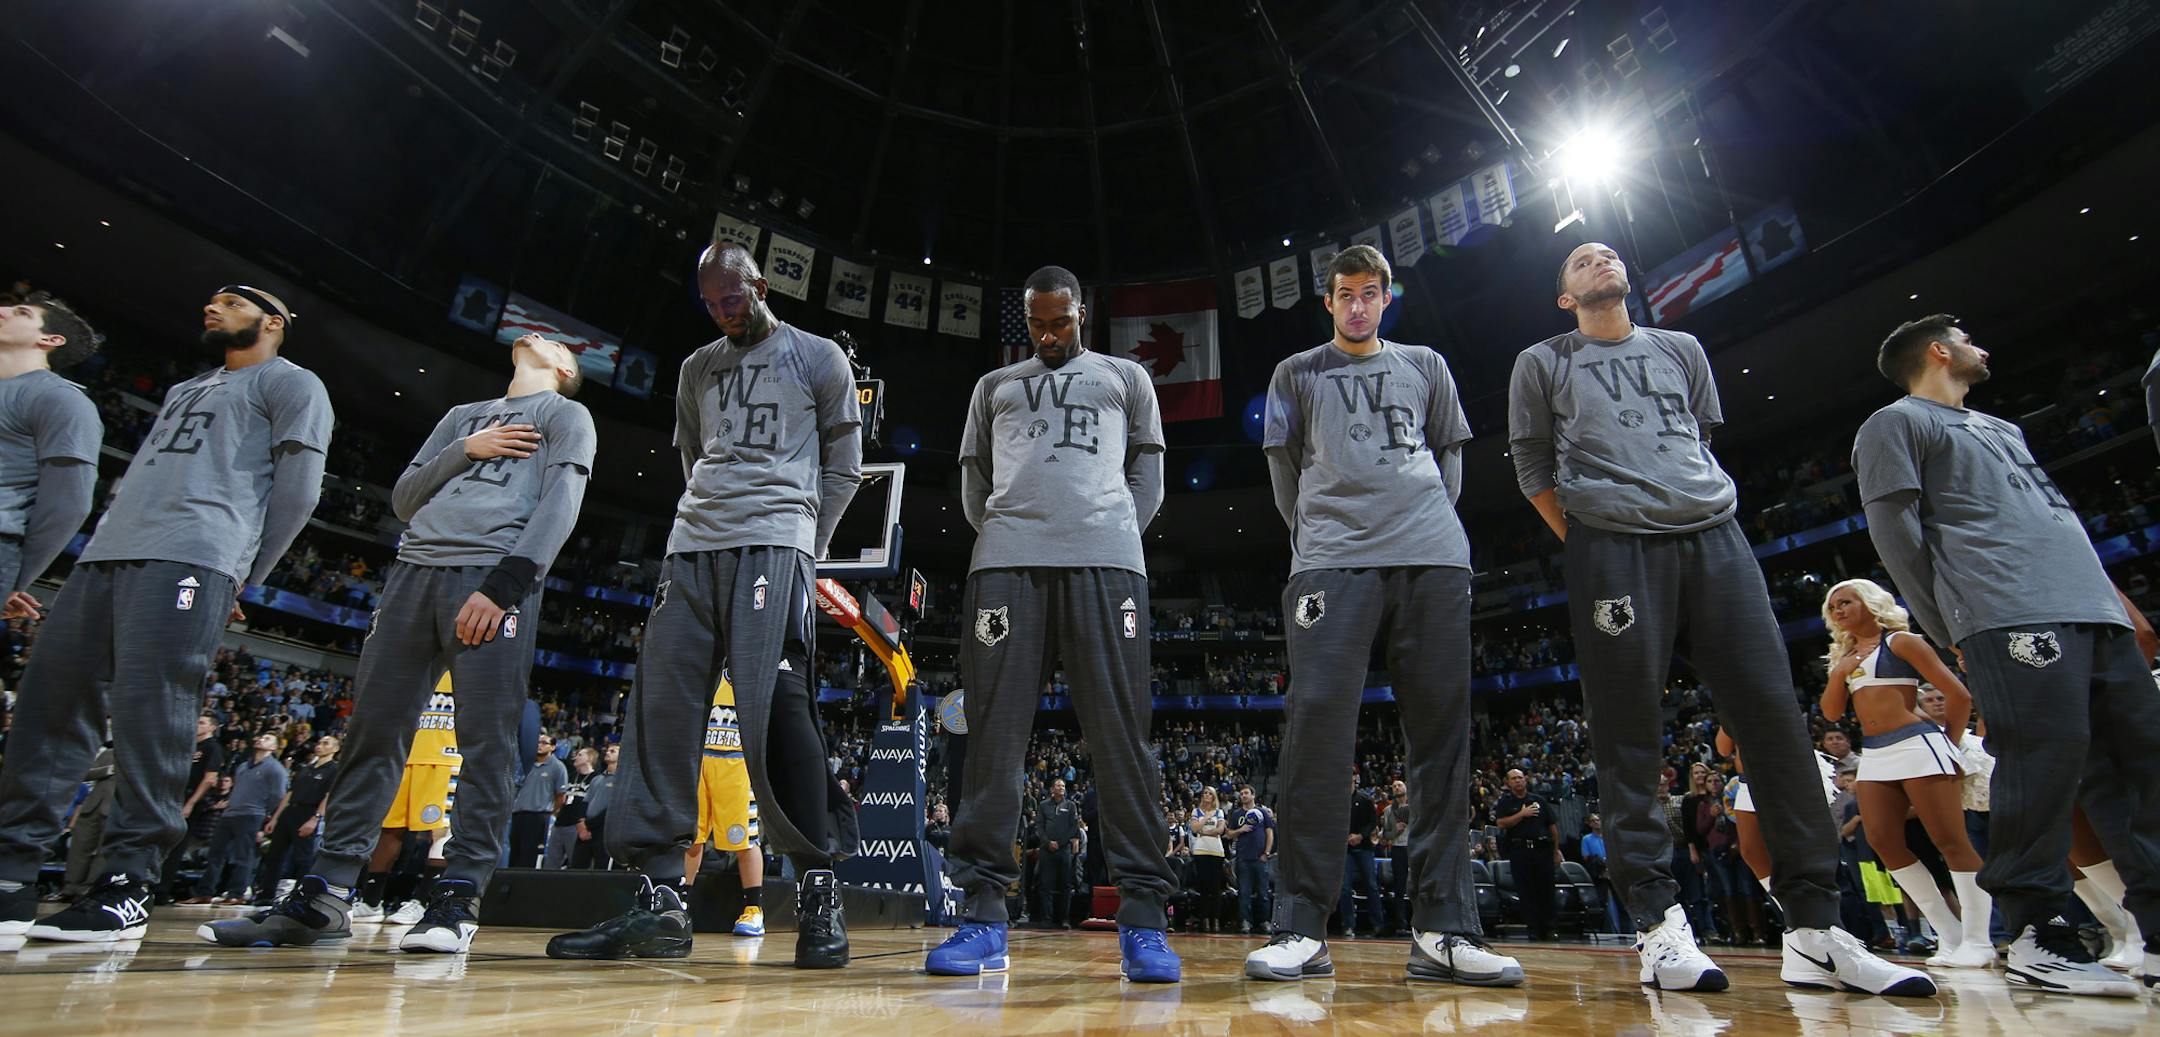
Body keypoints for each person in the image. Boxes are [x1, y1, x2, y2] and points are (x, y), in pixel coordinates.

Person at [1507, 243, 1929, 996]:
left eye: (1607, 253)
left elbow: (1698, 439)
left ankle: (1815, 930)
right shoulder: (1542, 361)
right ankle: (1658, 924)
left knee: (1774, 722)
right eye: (1579, 260)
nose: (1599, 259)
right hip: (1611, 545)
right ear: (1565, 297)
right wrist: (1592, 539)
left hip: (1714, 534)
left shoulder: (1682, 347)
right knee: (1628, 731)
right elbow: (1534, 467)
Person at [204, 332, 593, 952]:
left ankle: (458, 896)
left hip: (490, 576)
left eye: (553, 340)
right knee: (374, 734)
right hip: (413, 573)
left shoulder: (566, 415)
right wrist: (465, 450)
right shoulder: (462, 418)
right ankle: (326, 892)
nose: (536, 335)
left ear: (566, 367)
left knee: (485, 742)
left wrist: (505, 587)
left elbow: (561, 505)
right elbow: (406, 500)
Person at [550, 244, 861, 968]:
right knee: (660, 709)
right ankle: (660, 899)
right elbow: (693, 458)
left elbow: (845, 466)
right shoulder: (697, 368)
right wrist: (707, 517)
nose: (724, 313)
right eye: (712, 304)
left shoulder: (818, 357)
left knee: (779, 709)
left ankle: (818, 889)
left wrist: (803, 543)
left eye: (733, 298)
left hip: (775, 543)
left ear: (760, 286)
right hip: (692, 547)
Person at [0, 286, 331, 941]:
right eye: (210, 299)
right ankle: (11, 877)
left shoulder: (293, 383)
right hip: (107, 554)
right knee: (49, 706)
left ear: (272, 322)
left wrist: (247, 570)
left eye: (231, 302)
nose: (212, 306)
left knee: (153, 710)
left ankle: (128, 881)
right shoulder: (187, 387)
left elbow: (299, 492)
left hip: (195, 552)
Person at [1855, 313, 2160, 995]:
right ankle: (2036, 933)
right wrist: (1948, 623)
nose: (1981, 347)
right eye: (1967, 338)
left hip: (2093, 610)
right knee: (2042, 763)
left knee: (2142, 763)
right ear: (1939, 350)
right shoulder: (1896, 423)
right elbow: (1894, 530)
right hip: (2007, 610)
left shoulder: (2003, 428)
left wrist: (2118, 606)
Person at [1246, 245, 1518, 988]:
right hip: (1331, 562)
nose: (1358, 305)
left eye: (1370, 293)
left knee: (1441, 739)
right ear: (1328, 302)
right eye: (1346, 294)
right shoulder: (1296, 373)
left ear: (1387, 298)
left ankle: (1443, 929)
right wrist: (1324, 537)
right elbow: (1284, 473)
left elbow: (1449, 463)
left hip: (1431, 557)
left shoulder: (1426, 365)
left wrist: (1420, 527)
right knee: (1316, 732)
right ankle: (1301, 927)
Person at [928, 264, 1179, 984]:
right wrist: (1010, 530)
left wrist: (1111, 529)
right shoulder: (994, 386)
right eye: (1037, 324)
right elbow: (975, 483)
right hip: (1007, 565)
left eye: (1059, 322)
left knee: (1122, 739)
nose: (1047, 335)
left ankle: (1143, 920)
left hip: (1107, 564)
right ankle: (983, 915)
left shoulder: (1127, 377)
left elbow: (1148, 473)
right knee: (992, 739)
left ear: (1082, 312)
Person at [1815, 578, 1994, 968]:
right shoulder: (1845, 656)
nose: (1838, 610)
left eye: (1846, 602)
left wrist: (1950, 744)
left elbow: (1958, 694)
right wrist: (1839, 672)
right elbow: (1831, 712)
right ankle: (1949, 934)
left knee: (1950, 840)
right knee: (1882, 840)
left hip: (1918, 745)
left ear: (1870, 603)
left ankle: (1980, 940)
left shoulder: (1901, 642)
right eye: (1833, 607)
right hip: (1875, 753)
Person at [0, 291, 101, 622]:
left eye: (22, 313)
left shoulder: (60, 399)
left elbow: (70, 502)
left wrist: (16, 580)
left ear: (50, 339)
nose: (3, 311)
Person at [351, 676, 461, 923]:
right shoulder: (418, 666)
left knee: (440, 832)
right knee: (389, 830)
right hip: (403, 757)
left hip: (445, 759)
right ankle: (370, 901)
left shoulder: (470, 668)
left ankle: (423, 902)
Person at [683, 670, 767, 938]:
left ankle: (754, 909)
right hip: (698, 763)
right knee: (691, 838)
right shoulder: (703, 671)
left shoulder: (752, 674)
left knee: (745, 841)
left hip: (736, 764)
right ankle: (680, 905)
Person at [187, 734, 288, 905]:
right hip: (230, 813)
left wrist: (265, 813)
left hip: (252, 814)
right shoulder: (242, 766)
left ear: (274, 747)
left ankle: (236, 894)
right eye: (261, 737)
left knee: (244, 856)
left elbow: (278, 795)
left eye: (268, 739)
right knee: (215, 854)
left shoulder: (275, 769)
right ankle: (204, 893)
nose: (261, 739)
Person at [251, 734, 340, 906]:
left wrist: (315, 819)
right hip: (290, 811)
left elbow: (328, 796)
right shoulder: (305, 768)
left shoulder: (334, 770)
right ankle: (266, 894)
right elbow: (289, 794)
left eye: (326, 743)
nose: (320, 745)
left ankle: (302, 896)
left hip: (309, 812)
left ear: (335, 749)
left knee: (303, 858)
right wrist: (275, 818)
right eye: (319, 742)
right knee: (274, 855)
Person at [1493, 768, 1561, 942]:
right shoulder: (1505, 802)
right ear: (1508, 782)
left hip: (1542, 850)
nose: (1517, 781)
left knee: (1547, 889)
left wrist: (1556, 851)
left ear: (1525, 780)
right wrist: (1522, 814)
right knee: (1526, 891)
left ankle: (1551, 928)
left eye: (1520, 777)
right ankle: (1533, 929)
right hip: (1520, 851)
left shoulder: (1538, 800)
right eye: (1513, 778)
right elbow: (1501, 823)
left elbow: (1552, 826)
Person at [509, 737, 570, 868]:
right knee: (514, 852)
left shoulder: (558, 767)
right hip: (518, 814)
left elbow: (561, 795)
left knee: (529, 854)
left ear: (553, 747)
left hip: (538, 815)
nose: (539, 745)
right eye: (537, 742)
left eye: (544, 743)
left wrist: (550, 813)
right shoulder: (526, 764)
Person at [1035, 778, 1081, 929]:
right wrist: (1048, 842)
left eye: (1063, 786)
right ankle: (1047, 919)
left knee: (1066, 885)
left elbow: (1073, 828)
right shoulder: (1043, 805)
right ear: (1052, 789)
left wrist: (1059, 843)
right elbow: (1039, 826)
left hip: (1064, 850)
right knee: (1045, 885)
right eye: (1058, 785)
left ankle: (1064, 919)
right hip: (1046, 850)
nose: (1061, 788)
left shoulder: (1071, 805)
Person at [1230, 785, 1275, 936]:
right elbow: (1229, 834)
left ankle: (1264, 921)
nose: (1243, 795)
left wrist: (1266, 852)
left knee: (1263, 892)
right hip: (1243, 858)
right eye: (1241, 793)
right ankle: (1245, 921)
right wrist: (1240, 830)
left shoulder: (1262, 812)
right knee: (1244, 892)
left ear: (1253, 795)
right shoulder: (1237, 814)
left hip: (1260, 858)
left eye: (1246, 793)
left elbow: (1269, 833)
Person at [546, 748, 597, 869]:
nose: (575, 757)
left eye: (580, 755)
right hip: (559, 823)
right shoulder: (571, 776)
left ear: (589, 758)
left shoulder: (596, 778)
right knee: (551, 864)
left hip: (577, 826)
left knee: (575, 863)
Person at [1187, 787, 1229, 934]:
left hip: (1216, 851)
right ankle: (1204, 919)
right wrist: (1205, 818)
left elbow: (1220, 830)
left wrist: (1204, 831)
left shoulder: (1219, 812)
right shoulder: (1196, 811)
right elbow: (1194, 828)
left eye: (1210, 793)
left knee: (1216, 887)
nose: (1207, 795)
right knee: (1204, 887)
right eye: (1205, 792)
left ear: (1214, 797)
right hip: (1200, 851)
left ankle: (1215, 919)